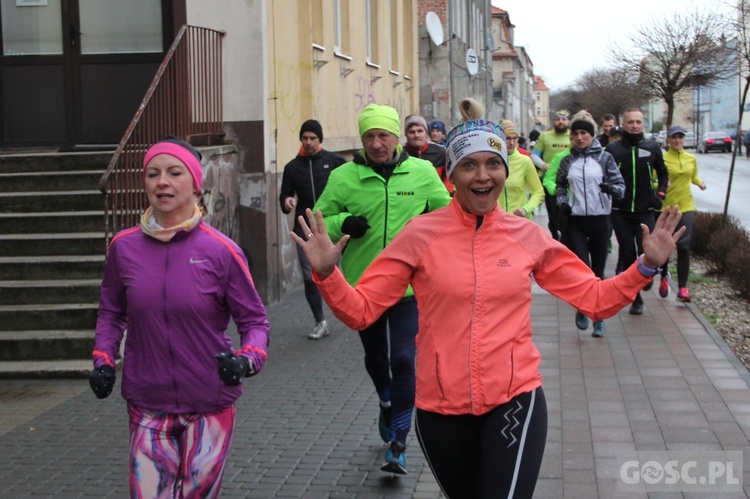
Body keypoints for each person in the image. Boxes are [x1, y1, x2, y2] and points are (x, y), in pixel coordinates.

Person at [292, 119, 684, 498]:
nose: (482, 175)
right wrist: (328, 274)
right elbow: (362, 311)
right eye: (469, 165)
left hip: (513, 399)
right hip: (439, 409)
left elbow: (595, 301)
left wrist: (644, 267)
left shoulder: (527, 236)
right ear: (451, 178)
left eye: (493, 163)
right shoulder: (420, 235)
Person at [90, 137, 270, 498]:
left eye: (175, 172)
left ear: (196, 182)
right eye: (153, 174)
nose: (162, 182)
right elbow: (111, 311)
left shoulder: (221, 251)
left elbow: (255, 321)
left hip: (209, 401)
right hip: (147, 401)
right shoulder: (123, 248)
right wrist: (104, 359)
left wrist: (247, 360)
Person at [313, 103, 452, 475]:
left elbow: (448, 214)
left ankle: (399, 442)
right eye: (369, 136)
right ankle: (387, 402)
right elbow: (319, 219)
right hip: (364, 287)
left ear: (397, 137)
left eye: (384, 136)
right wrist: (346, 222)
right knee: (377, 360)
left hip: (410, 285)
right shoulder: (344, 177)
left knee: (405, 359)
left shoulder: (421, 172)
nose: (377, 143)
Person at [555, 111, 625, 337]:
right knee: (582, 269)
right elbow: (559, 187)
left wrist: (610, 189)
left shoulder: (605, 159)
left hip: (600, 219)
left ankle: (599, 318)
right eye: (575, 133)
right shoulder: (568, 160)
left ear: (592, 135)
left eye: (583, 133)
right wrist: (563, 203)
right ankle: (582, 308)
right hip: (576, 220)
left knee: (598, 271)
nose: (579, 137)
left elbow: (620, 187)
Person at [279, 119, 346, 339]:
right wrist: (288, 201)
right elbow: (285, 196)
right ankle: (320, 321)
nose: (308, 142)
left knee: (333, 272)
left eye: (313, 138)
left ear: (320, 140)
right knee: (310, 276)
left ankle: (347, 309)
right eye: (305, 138)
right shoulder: (292, 167)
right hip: (306, 229)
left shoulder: (335, 161)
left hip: (332, 227)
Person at [606, 109, 669, 315]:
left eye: (638, 122)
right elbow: (603, 174)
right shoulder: (613, 149)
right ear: (623, 124)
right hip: (620, 210)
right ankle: (636, 298)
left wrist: (660, 193)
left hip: (645, 209)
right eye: (630, 122)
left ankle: (647, 276)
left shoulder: (651, 147)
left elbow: (662, 171)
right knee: (628, 253)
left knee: (645, 251)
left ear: (644, 124)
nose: (634, 125)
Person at [657, 125, 707, 302]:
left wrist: (700, 183)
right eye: (674, 137)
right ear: (668, 140)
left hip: (686, 206)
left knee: (684, 247)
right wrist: (660, 185)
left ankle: (683, 288)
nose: (678, 140)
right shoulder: (662, 160)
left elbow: (693, 176)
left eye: (681, 137)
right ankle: (663, 277)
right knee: (666, 247)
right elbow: (654, 182)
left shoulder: (690, 158)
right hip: (667, 209)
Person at [532, 109, 572, 240]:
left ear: (568, 121)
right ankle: (555, 235)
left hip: (568, 181)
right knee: (553, 215)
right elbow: (534, 155)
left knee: (565, 214)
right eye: (557, 119)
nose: (560, 122)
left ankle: (565, 237)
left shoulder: (572, 136)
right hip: (550, 180)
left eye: (563, 119)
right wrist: (543, 164)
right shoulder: (545, 136)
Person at [499, 119, 544, 219]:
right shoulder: (490, 161)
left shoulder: (525, 161)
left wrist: (526, 208)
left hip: (519, 221)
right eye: (507, 138)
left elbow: (538, 192)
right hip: (496, 222)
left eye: (515, 138)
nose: (511, 142)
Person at [404, 114, 452, 193]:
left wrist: (446, 192)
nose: (416, 135)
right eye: (412, 132)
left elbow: (449, 175)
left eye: (420, 131)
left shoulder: (441, 152)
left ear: (426, 133)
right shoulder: (400, 154)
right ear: (406, 134)